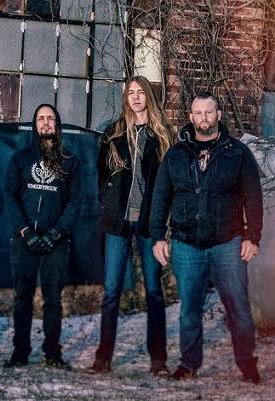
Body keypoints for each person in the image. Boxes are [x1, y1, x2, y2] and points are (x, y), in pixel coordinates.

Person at [150, 92, 263, 383]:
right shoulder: (175, 155)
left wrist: (252, 236)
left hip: (228, 242)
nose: (204, 117)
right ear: (191, 117)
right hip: (186, 243)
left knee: (238, 306)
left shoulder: (237, 153)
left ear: (218, 115)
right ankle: (188, 364)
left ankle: (247, 364)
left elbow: (253, 195)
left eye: (209, 112)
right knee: (189, 309)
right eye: (198, 113)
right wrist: (158, 236)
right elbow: (160, 197)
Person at [89, 76, 174, 375]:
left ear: (148, 96)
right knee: (112, 290)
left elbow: (170, 183)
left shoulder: (162, 136)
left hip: (149, 223)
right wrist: (106, 200)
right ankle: (103, 358)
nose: (135, 97)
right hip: (118, 222)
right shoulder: (114, 133)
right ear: (126, 98)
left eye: (140, 92)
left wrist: (162, 220)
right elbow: (101, 173)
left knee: (154, 291)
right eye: (130, 93)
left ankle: (158, 360)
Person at [4, 104, 82, 370]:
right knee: (22, 298)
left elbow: (75, 202)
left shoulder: (70, 161)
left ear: (56, 124)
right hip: (24, 240)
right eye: (41, 118)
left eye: (50, 118)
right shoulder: (20, 159)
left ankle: (52, 353)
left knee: (53, 299)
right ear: (34, 125)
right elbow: (9, 197)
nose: (46, 122)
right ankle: (20, 353)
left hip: (55, 241)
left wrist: (56, 233)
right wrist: (24, 231)